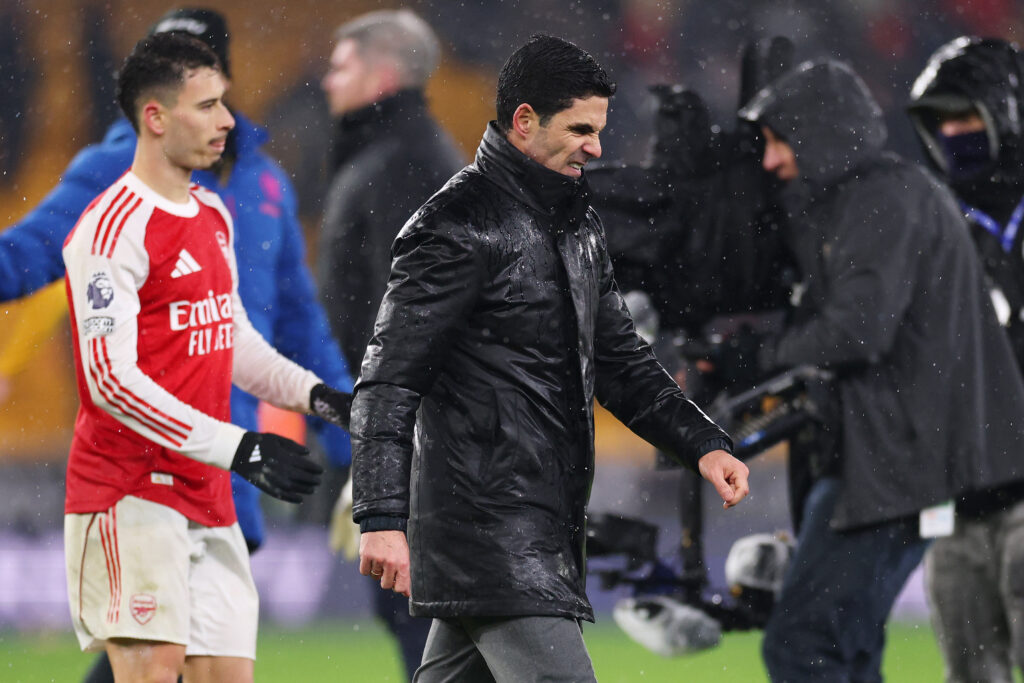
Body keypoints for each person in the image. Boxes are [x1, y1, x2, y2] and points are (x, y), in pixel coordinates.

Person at [350, 34, 750, 682]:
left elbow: (620, 358)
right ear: (525, 122)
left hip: (538, 530)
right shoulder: (454, 224)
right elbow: (388, 380)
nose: (596, 146)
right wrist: (379, 516)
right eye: (581, 129)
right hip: (494, 536)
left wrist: (701, 441)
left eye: (599, 130)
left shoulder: (576, 220)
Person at [61, 32, 350, 682]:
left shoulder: (212, 213)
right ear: (155, 118)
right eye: (208, 106)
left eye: (225, 103)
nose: (227, 121)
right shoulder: (111, 230)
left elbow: (232, 339)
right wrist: (241, 446)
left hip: (207, 493)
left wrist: (321, 398)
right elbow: (111, 381)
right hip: (130, 495)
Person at [737, 58, 1024, 681]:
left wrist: (753, 355)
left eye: (781, 141)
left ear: (817, 133)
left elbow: (855, 333)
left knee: (806, 645)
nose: (771, 161)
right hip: (926, 468)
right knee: (860, 651)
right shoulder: (892, 196)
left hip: (904, 465)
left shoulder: (884, 198)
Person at [316, 8, 463, 678]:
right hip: (407, 428)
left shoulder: (400, 168)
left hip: (410, 437)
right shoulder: (407, 157)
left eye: (341, 65)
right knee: (417, 615)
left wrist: (385, 439)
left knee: (419, 615)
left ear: (380, 75)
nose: (326, 80)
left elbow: (405, 320)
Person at [907, 36, 1024, 683]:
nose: (952, 133)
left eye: (966, 117)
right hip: (952, 498)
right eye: (941, 121)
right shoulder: (928, 220)